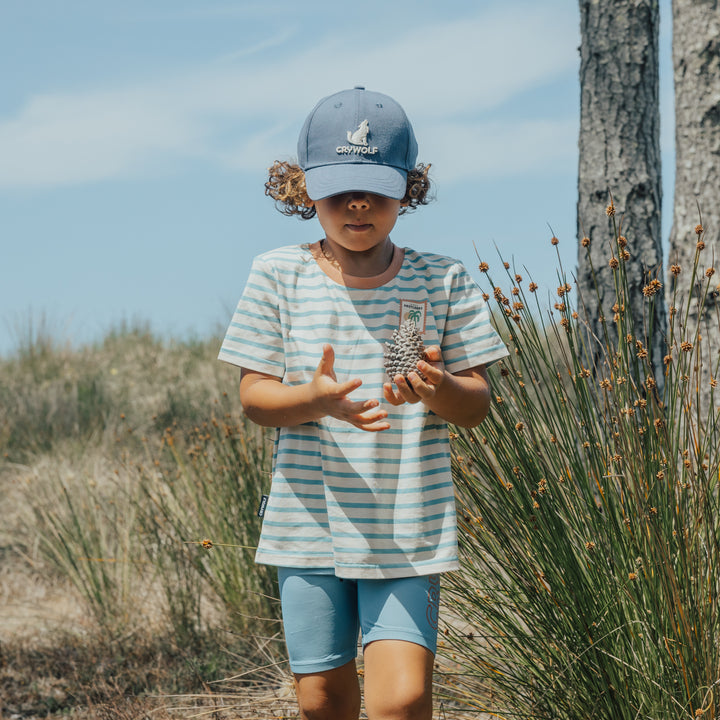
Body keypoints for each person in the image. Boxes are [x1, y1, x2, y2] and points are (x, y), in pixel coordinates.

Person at [219, 86, 508, 720]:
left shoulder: (443, 279)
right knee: (323, 700)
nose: (358, 203)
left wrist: (441, 387)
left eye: (377, 187)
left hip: (409, 524)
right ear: (302, 190)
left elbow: (477, 404)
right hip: (308, 527)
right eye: (338, 187)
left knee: (402, 700)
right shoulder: (277, 275)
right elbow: (254, 399)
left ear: (409, 188)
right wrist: (315, 401)